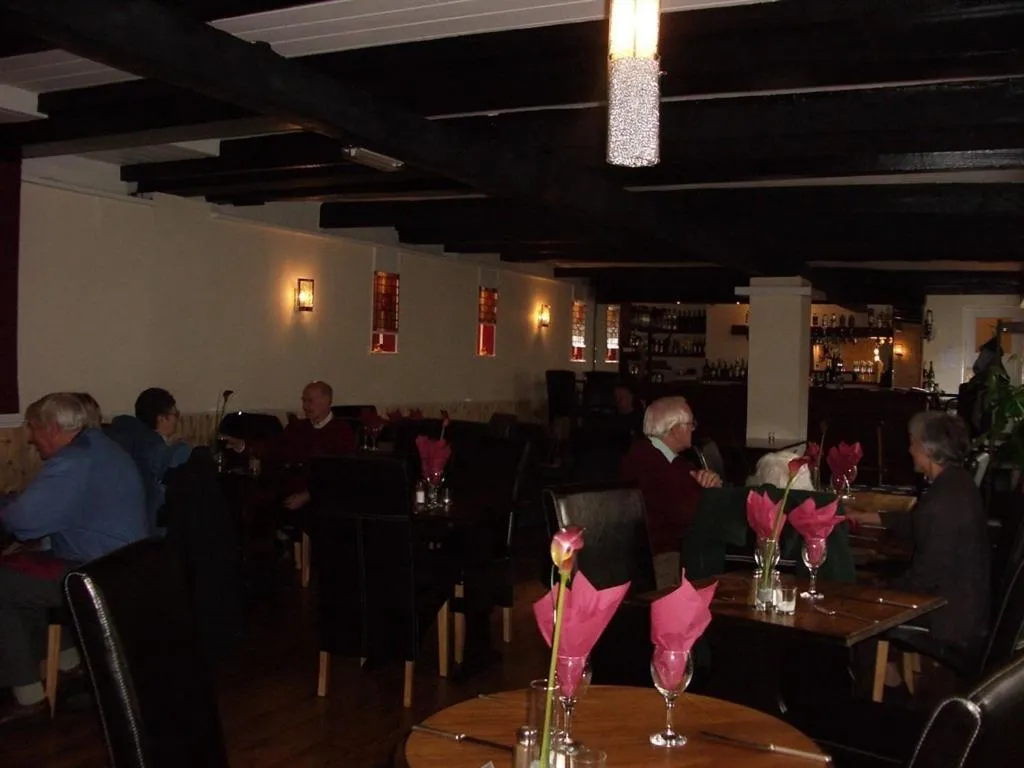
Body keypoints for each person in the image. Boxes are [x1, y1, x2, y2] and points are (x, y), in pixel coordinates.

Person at [0, 393, 147, 727]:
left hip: (98, 575)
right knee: (25, 572)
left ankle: (28, 695)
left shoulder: (74, 461)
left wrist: (7, 510)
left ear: (52, 429)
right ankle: (68, 663)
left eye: (34, 429)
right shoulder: (100, 447)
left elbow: (24, 522)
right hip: (124, 567)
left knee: (5, 583)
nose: (31, 438)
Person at [847, 411, 991, 668]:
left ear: (928, 449)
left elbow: (926, 578)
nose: (910, 449)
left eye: (913, 442)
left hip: (950, 621)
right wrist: (864, 516)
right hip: (963, 604)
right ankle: (888, 672)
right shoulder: (957, 483)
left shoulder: (942, 500)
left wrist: (880, 591)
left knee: (860, 605)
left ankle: (872, 685)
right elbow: (916, 522)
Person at [620, 396, 722, 589]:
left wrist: (710, 482)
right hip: (662, 557)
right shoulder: (645, 461)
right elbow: (685, 513)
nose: (693, 429)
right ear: (675, 429)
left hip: (678, 547)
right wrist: (707, 491)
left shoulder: (671, 460)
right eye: (690, 424)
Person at [223, 381, 356, 510]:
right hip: (285, 488)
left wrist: (308, 495)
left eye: (310, 401)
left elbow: (338, 473)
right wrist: (243, 445)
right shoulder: (298, 427)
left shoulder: (341, 432)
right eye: (303, 400)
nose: (305, 406)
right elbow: (274, 448)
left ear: (327, 402)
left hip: (317, 496)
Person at [106, 387, 192, 534]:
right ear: (161, 418)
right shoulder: (154, 447)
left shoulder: (123, 437)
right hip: (151, 529)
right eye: (175, 414)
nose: (177, 420)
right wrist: (181, 446)